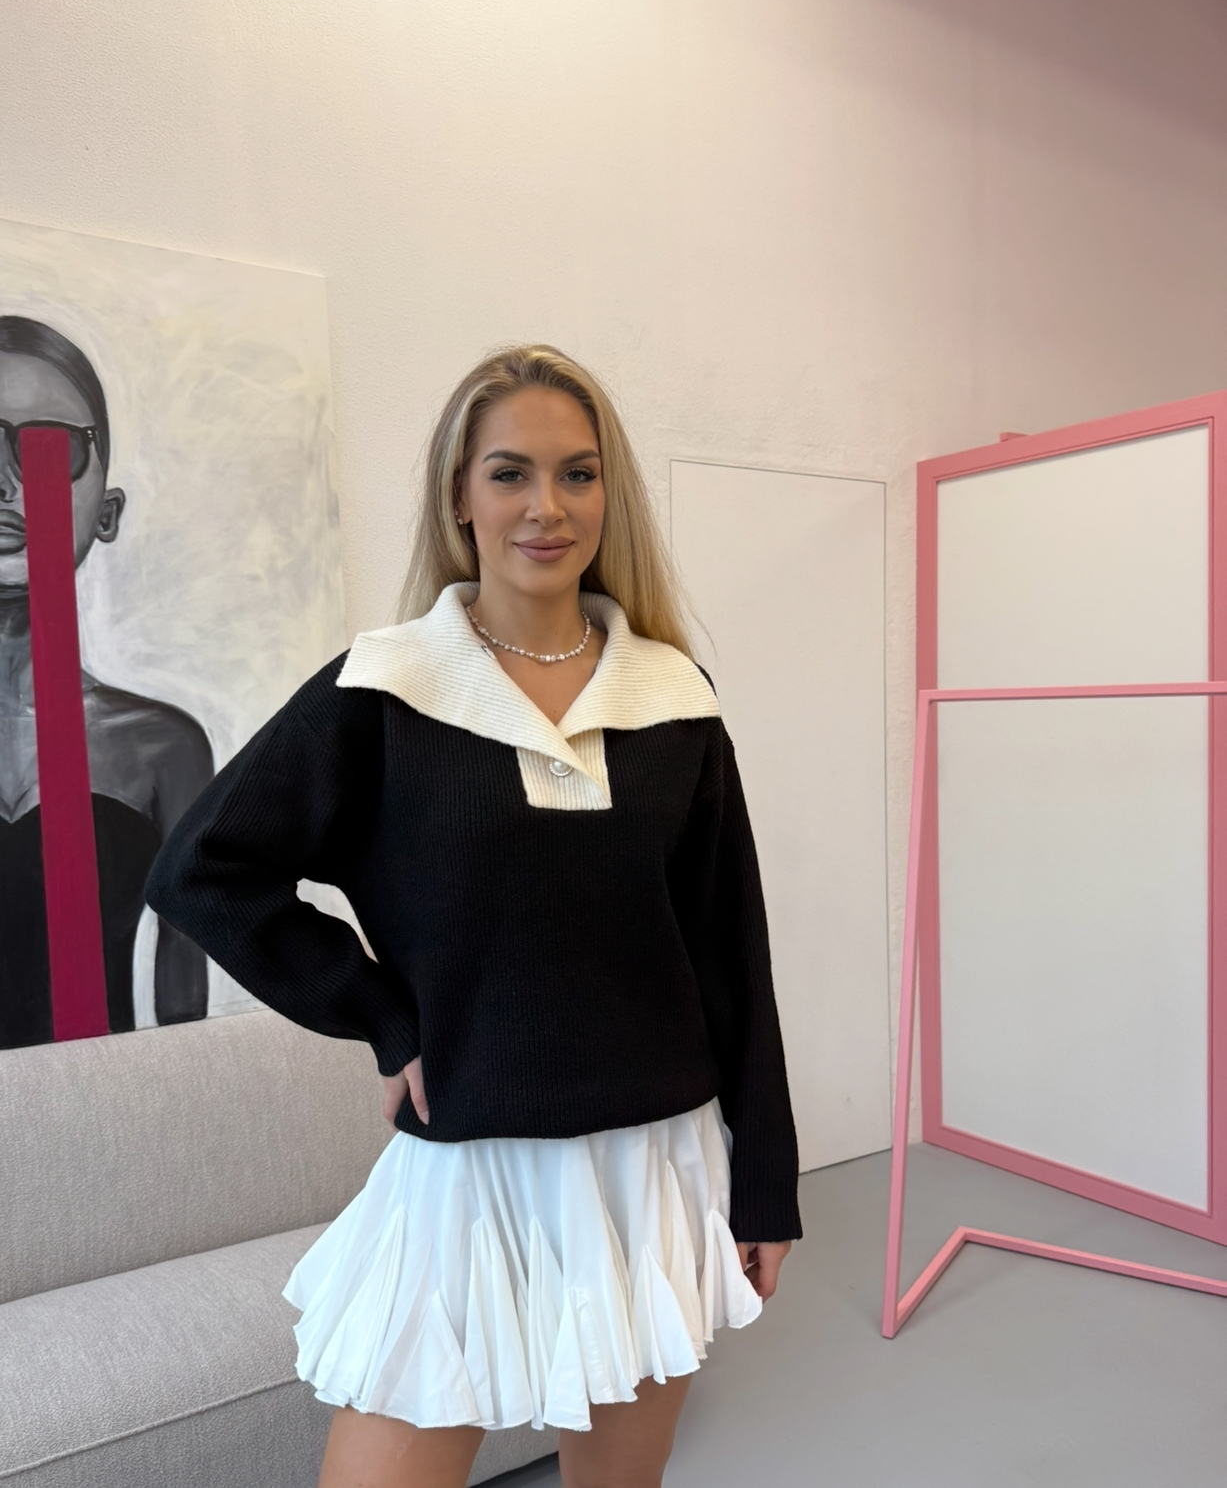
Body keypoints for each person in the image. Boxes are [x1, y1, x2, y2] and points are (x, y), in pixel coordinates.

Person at [144, 344, 801, 1488]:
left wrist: (768, 1180)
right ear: (460, 495)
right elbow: (205, 869)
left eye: (578, 473)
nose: (548, 506)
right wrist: (381, 1013)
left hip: (654, 1158)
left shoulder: (674, 695)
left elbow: (729, 948)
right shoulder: (385, 686)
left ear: (609, 492)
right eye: (510, 473)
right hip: (467, 1160)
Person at [0, 315, 211, 1046]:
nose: (6, 484)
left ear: (108, 512)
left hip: (106, 1102)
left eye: (48, 449)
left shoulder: (163, 747)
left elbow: (184, 997)